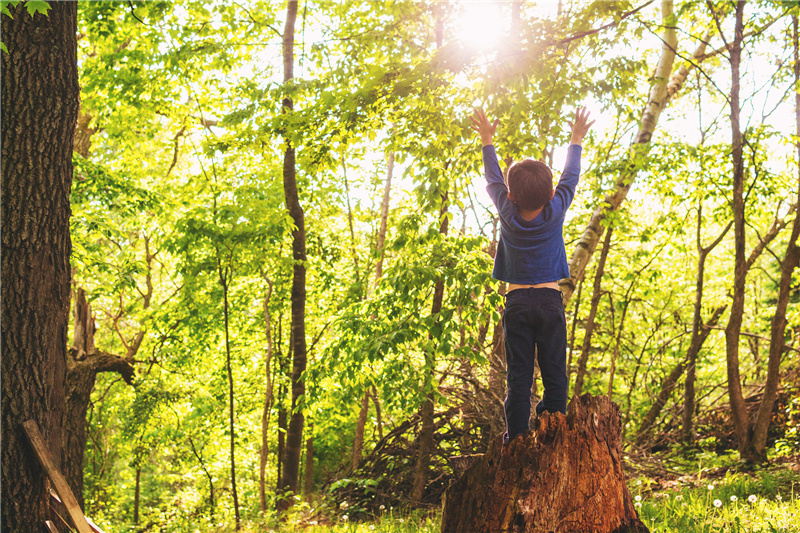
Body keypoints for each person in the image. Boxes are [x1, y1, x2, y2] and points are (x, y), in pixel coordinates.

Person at [469, 107, 594, 443]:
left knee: (519, 377)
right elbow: (570, 177)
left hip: (518, 302)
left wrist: (487, 140)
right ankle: (555, 433)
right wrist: (576, 140)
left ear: (510, 196)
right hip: (551, 302)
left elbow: (492, 178)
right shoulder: (556, 210)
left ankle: (518, 437)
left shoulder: (507, 211)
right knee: (555, 373)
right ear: (551, 195)